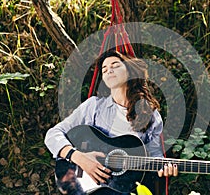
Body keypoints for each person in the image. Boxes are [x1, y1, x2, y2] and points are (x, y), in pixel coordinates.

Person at [44, 50, 178, 194]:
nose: (109, 70)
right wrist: (79, 157)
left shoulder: (150, 114)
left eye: (115, 65)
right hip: (92, 187)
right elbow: (52, 134)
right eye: (104, 69)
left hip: (126, 188)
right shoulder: (93, 106)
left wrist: (165, 167)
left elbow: (154, 155)